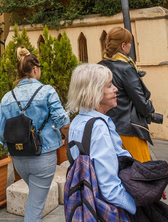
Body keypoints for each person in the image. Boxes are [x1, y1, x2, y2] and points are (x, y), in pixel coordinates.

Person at [0, 47, 70, 222]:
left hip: (19, 158)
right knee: (35, 208)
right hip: (43, 156)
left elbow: (0, 132)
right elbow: (63, 122)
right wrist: (68, 141)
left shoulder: (7, 97)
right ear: (35, 69)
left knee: (35, 199)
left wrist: (11, 147)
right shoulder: (47, 91)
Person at [67, 63, 136, 215]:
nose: (115, 89)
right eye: (110, 85)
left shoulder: (77, 122)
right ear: (95, 92)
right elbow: (110, 189)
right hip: (108, 210)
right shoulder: (98, 128)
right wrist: (137, 206)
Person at [98, 27, 154, 162]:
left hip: (105, 128)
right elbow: (142, 104)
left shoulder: (99, 66)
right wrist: (149, 105)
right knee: (139, 175)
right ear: (123, 46)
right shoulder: (126, 68)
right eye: (129, 42)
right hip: (128, 131)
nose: (130, 45)